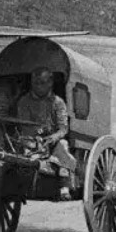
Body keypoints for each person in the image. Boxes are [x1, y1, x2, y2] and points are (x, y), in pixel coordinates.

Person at [16, 66, 76, 201]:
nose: (38, 87)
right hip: (30, 140)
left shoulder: (58, 102)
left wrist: (53, 137)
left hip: (53, 143)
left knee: (63, 145)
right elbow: (24, 125)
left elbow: (63, 129)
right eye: (35, 83)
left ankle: (64, 185)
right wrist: (35, 137)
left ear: (50, 83)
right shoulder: (24, 101)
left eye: (42, 83)